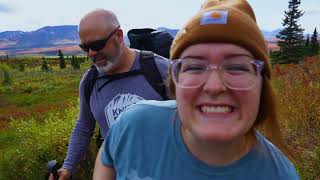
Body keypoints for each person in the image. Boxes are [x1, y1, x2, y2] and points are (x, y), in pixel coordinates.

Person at [93, 0, 300, 179]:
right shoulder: (136, 124)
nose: (214, 86)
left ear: (261, 84)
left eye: (236, 67)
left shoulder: (278, 175)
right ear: (176, 82)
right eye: (194, 67)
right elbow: (107, 157)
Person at [57, 9, 170, 179]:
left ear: (118, 35)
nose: (91, 54)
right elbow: (84, 127)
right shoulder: (90, 82)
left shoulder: (159, 68)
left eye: (97, 45)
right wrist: (67, 168)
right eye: (85, 48)